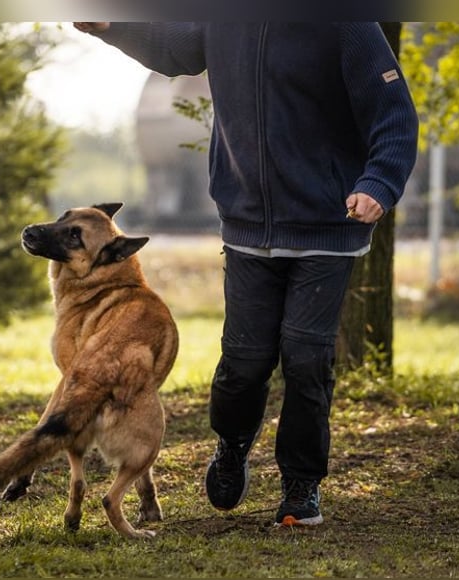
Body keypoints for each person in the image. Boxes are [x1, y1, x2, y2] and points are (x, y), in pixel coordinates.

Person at [74, 22, 419, 526]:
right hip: (247, 227)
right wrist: (112, 28)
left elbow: (394, 114)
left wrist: (379, 183)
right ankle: (233, 445)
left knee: (305, 357)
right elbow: (175, 46)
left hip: (327, 226)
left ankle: (301, 484)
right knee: (244, 360)